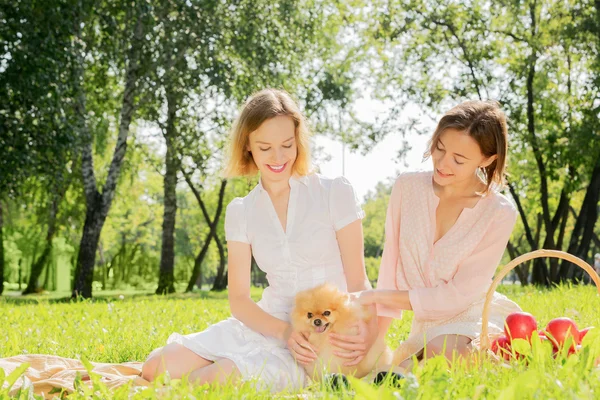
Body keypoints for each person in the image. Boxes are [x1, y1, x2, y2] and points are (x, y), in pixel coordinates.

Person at [141, 89, 376, 392]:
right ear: (248, 146)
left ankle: (234, 369)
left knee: (212, 380)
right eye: (265, 147)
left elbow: (359, 281)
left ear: (298, 141)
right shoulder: (242, 211)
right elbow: (239, 300)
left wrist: (361, 333)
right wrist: (284, 332)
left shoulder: (335, 192)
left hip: (320, 333)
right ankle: (230, 363)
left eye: (287, 145)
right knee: (154, 368)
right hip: (269, 323)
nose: (278, 158)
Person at [357, 100, 522, 368]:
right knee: (406, 367)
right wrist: (375, 340)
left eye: (459, 159)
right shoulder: (407, 187)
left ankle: (510, 359)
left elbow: (459, 294)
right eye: (439, 148)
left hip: (474, 315)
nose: (443, 163)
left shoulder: (499, 212)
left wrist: (377, 296)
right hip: (428, 327)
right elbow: (390, 267)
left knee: (442, 352)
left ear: (487, 159)